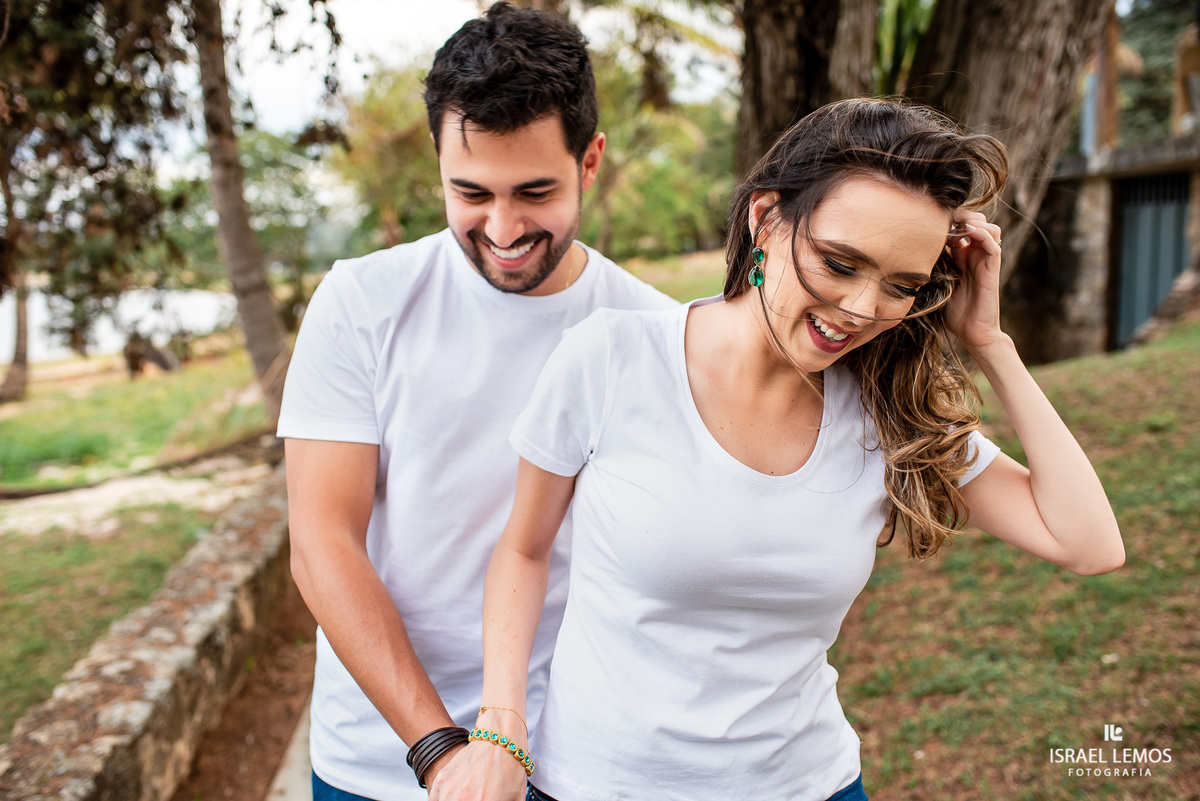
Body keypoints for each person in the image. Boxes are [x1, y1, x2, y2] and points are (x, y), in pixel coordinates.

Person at [436, 98, 1126, 801]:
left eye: (901, 285)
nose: (861, 308)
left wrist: (989, 343)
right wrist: (499, 725)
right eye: (839, 262)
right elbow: (522, 550)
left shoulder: (888, 413)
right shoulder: (612, 359)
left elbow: (1088, 543)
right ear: (766, 218)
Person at [275, 3, 676, 799]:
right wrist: (440, 749)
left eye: (535, 191)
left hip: (581, 756)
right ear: (438, 165)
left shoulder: (656, 332)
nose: (502, 227)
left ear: (589, 162)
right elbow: (323, 541)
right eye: (471, 193)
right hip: (381, 757)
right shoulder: (361, 301)